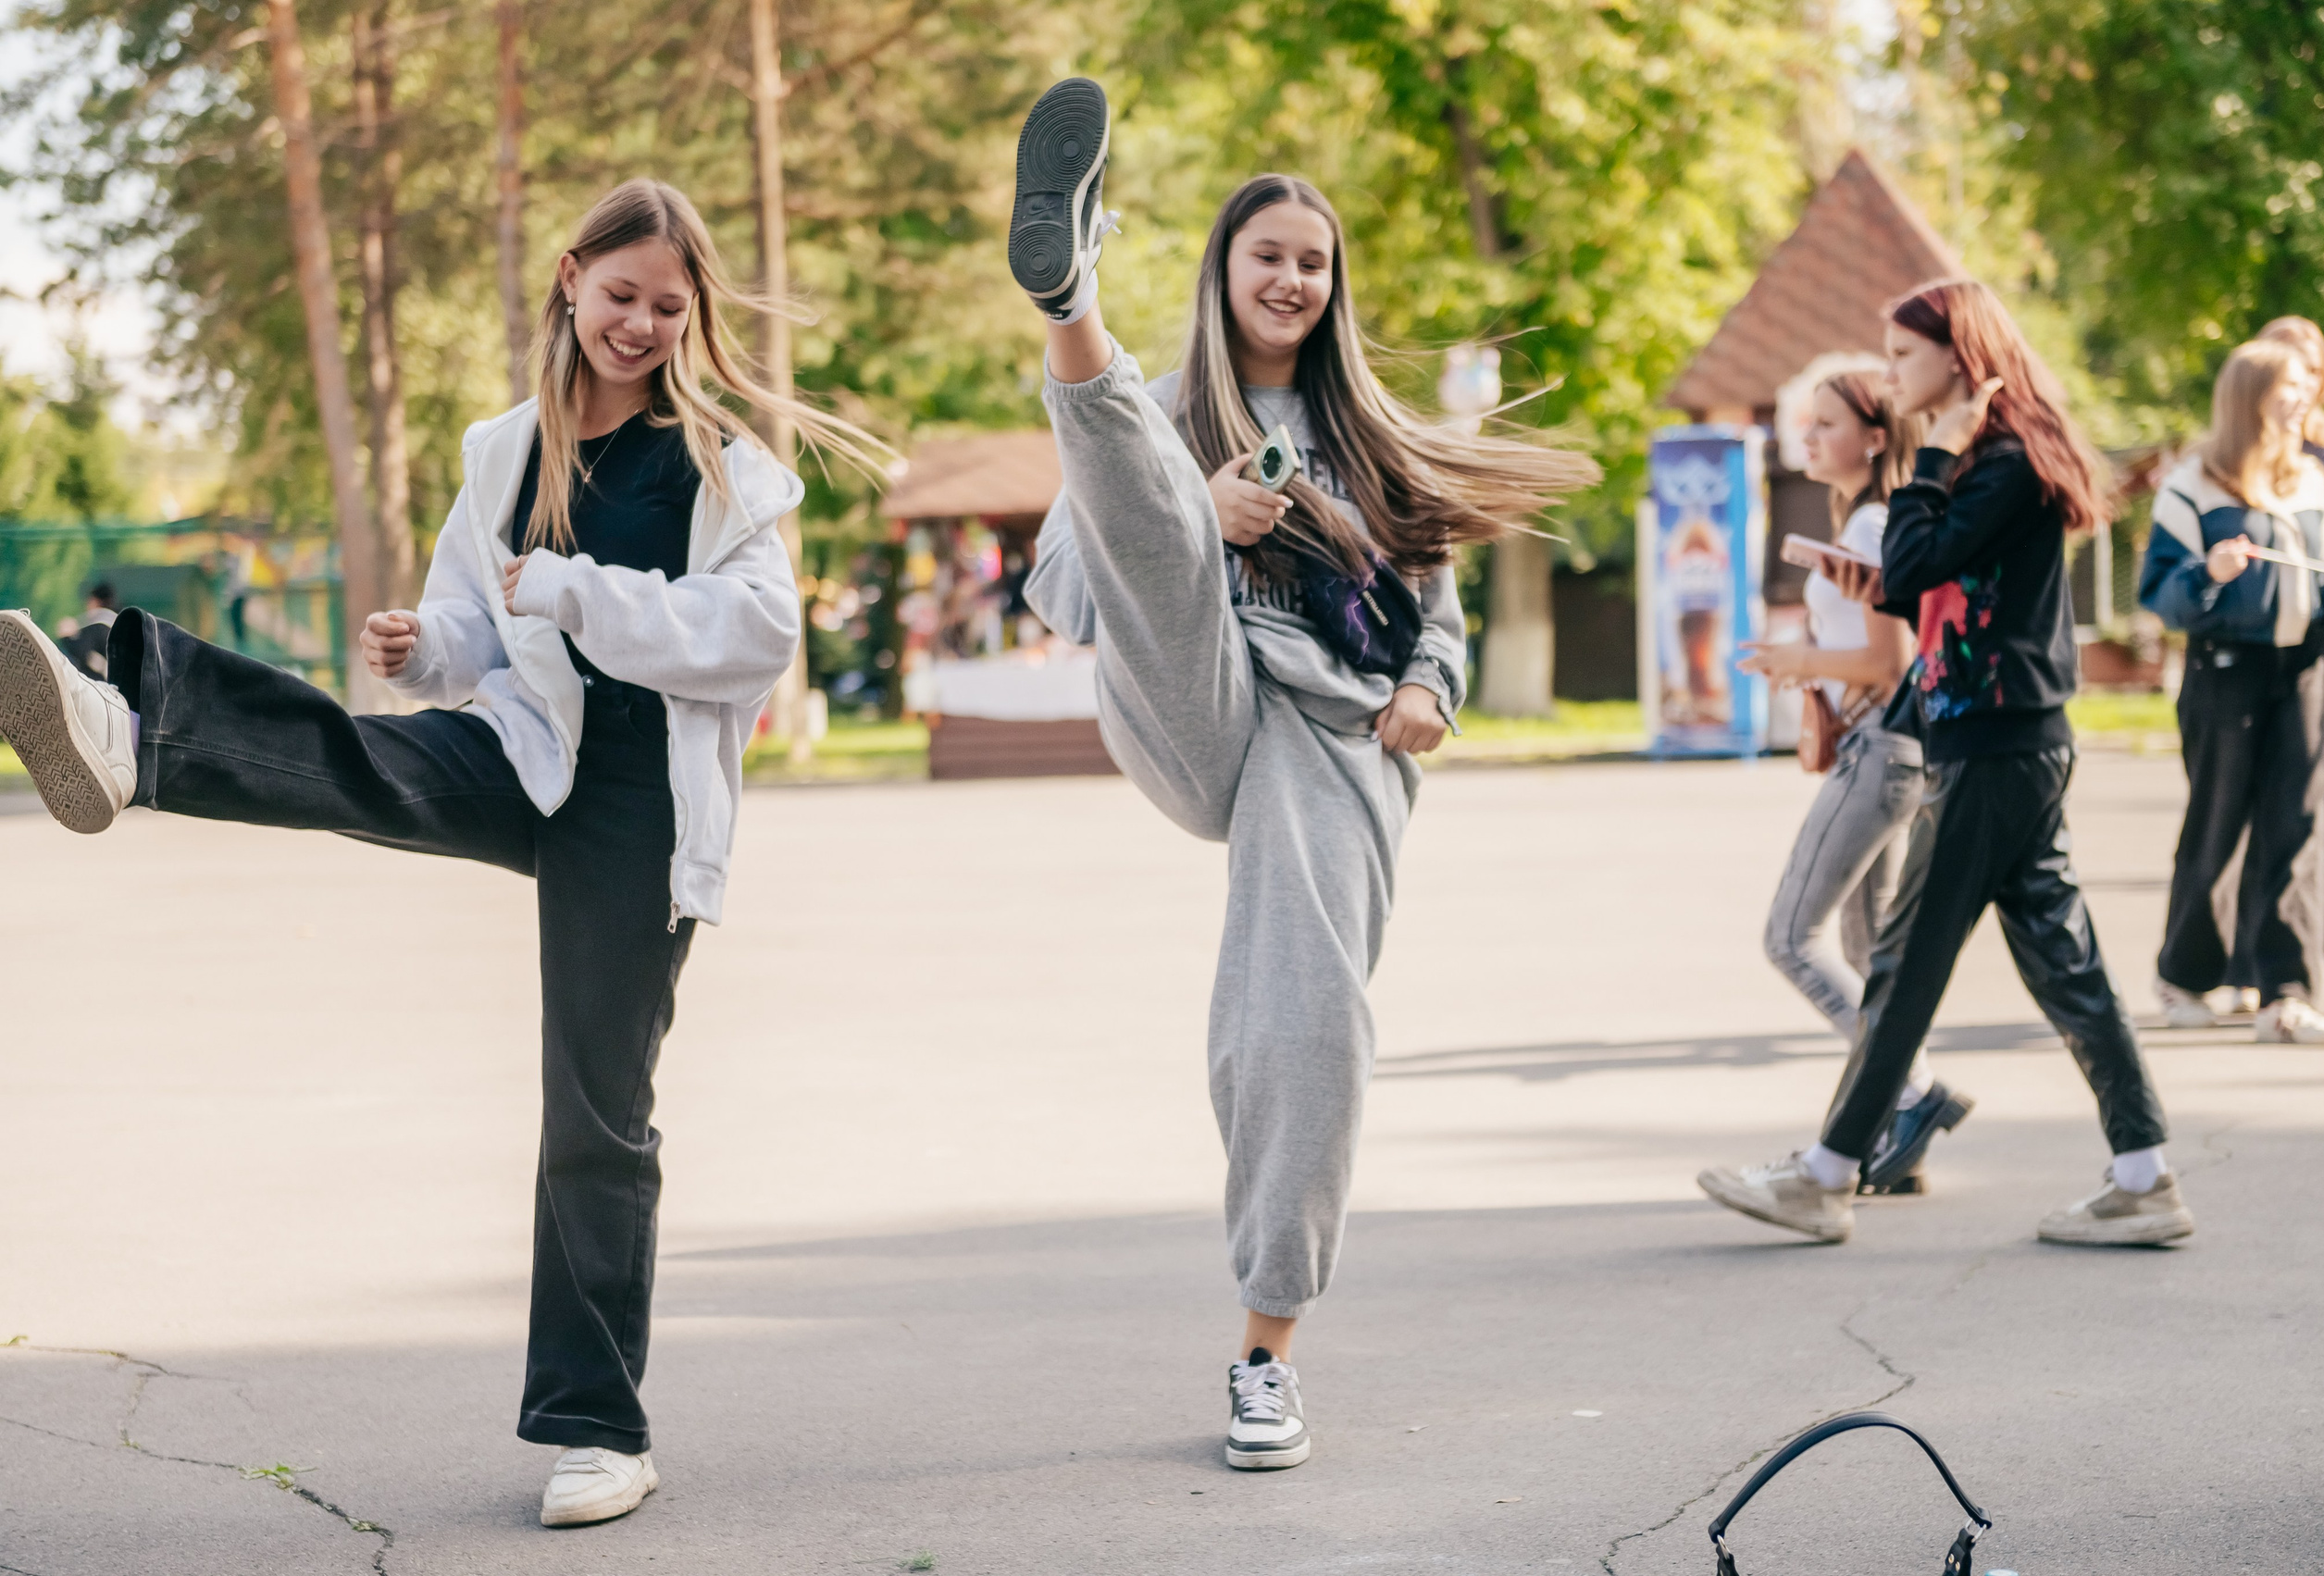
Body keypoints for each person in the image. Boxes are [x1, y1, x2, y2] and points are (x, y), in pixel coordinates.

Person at [0, 178, 871, 1528]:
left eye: (666, 305)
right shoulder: (507, 451)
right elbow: (476, 625)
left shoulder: (720, 466)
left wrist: (579, 590)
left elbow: (757, 638)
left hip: (641, 802)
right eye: (620, 294)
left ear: (691, 315)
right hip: (524, 744)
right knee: (368, 757)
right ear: (571, 278)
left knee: (594, 1109)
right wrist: (423, 646)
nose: (639, 324)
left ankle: (601, 1429)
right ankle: (132, 729)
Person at [1006, 80, 1594, 1471]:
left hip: (1336, 734)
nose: (1289, 277)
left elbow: (1436, 611)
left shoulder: (1377, 434)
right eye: (1266, 254)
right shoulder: (1165, 409)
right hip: (1190, 690)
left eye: (1312, 261)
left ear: (1335, 287)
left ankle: (1266, 1352)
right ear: (1223, 271)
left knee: (1302, 1018)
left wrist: (1430, 686)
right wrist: (1196, 517)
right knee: (1151, 487)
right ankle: (1069, 299)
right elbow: (1064, 593)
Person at [1697, 279, 2186, 1247]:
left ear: (1960, 360)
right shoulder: (1994, 461)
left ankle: (1825, 1175)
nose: (1890, 374)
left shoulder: (1998, 460)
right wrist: (1877, 574)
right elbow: (1931, 584)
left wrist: (1929, 458)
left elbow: (1922, 562)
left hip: (1996, 743)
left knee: (1904, 965)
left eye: (1902, 356)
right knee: (2064, 965)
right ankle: (2144, 1176)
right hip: (1999, 737)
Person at [1736, 369, 1971, 1196]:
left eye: (1826, 424)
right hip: (1886, 750)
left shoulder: (1874, 523)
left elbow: (1888, 660)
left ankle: (1913, 1092)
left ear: (1876, 438)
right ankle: (1896, 1140)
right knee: (1871, 953)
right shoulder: (1866, 518)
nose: (1807, 437)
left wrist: (1799, 658)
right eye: (1806, 424)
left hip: (1877, 752)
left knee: (1790, 938)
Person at [2142, 339, 2324, 1045]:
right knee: (2218, 825)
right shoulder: (2194, 484)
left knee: (2297, 826)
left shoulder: (2309, 479)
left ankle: (2286, 996)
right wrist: (2208, 573)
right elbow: (2160, 593)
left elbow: (2323, 585)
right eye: (2287, 387)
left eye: (2305, 387)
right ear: (2250, 397)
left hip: (2303, 669)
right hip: (2224, 672)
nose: (2303, 399)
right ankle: (2183, 977)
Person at [2256, 316, 2324, 1023]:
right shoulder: (2240, 455)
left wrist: (2315, 543)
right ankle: (2262, 970)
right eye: (2279, 367)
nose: (2295, 384)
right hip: (2264, 648)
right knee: (2275, 807)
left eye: (2306, 369)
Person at [62, 582, 118, 680]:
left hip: (95, 682)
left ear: (96, 601)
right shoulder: (115, 626)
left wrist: (67, 637)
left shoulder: (98, 625)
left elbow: (82, 652)